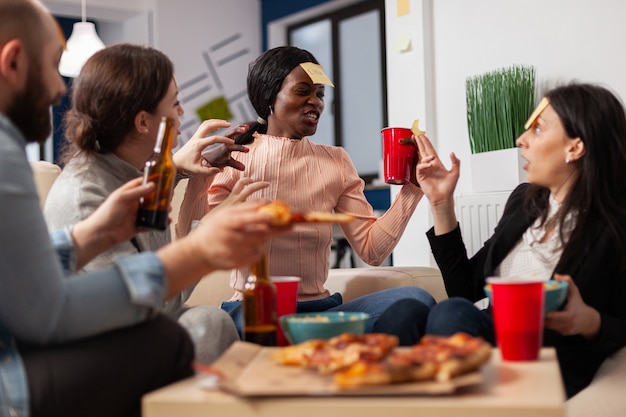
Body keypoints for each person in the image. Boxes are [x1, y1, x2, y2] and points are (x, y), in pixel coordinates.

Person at [0, 1, 287, 416]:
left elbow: (22, 281)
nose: (61, 89)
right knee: (194, 329)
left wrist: (91, 236)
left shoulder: (135, 178)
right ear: (12, 62)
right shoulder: (36, 168)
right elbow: (48, 310)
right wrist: (201, 247)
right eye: (52, 63)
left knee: (210, 322)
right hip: (18, 372)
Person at [43, 43, 257, 364]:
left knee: (228, 319)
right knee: (208, 323)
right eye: (175, 103)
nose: (182, 113)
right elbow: (154, 306)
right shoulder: (85, 196)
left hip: (139, 330)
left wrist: (178, 167)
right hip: (99, 349)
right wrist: (207, 233)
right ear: (143, 123)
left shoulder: (133, 172)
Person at [206, 45, 435, 344]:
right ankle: (322, 351)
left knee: (415, 299)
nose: (315, 102)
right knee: (263, 323)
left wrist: (414, 187)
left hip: (319, 312)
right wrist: (203, 169)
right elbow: (207, 240)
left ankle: (343, 359)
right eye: (303, 91)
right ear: (268, 98)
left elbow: (373, 250)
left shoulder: (336, 161)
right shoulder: (235, 155)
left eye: (320, 94)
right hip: (255, 310)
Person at [414, 82, 626, 398]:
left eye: (537, 130)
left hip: (546, 356)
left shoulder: (614, 227)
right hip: (489, 336)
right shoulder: (525, 201)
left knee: (449, 314)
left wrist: (589, 320)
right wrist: (441, 204)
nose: (521, 140)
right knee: (408, 309)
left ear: (575, 147)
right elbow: (466, 289)